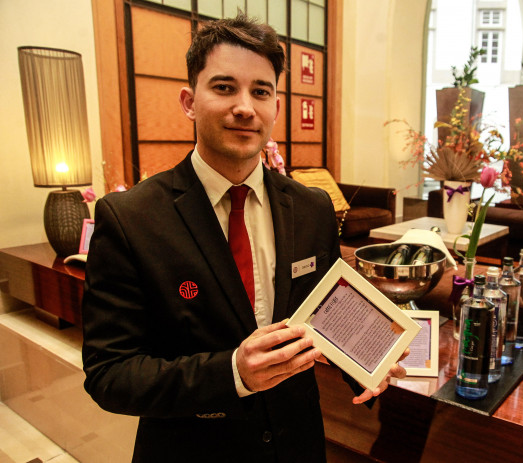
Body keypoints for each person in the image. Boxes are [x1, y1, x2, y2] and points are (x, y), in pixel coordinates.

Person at [81, 14, 406, 462]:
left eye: (260, 91)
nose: (245, 107)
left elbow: (328, 311)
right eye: (223, 87)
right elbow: (109, 373)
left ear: (276, 104)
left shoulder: (311, 208)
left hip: (298, 442)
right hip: (191, 449)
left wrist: (368, 362)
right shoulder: (130, 218)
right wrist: (233, 372)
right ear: (189, 100)